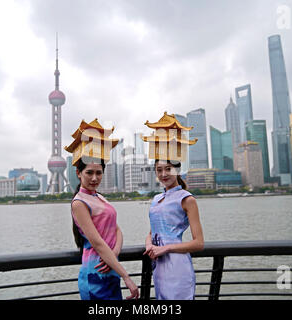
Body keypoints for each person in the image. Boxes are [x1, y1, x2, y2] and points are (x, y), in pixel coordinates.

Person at [66, 118, 139, 300]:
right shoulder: (79, 203)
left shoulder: (100, 198)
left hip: (111, 268)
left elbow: (117, 230)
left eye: (98, 173)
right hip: (95, 274)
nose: (94, 178)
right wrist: (127, 277)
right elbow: (97, 243)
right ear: (78, 173)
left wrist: (113, 255)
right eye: (89, 172)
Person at [141, 112, 204, 300]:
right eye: (159, 170)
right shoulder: (156, 199)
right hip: (158, 266)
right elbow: (153, 231)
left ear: (177, 170)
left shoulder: (186, 199)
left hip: (177, 266)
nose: (163, 174)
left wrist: (165, 248)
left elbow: (198, 243)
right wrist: (149, 244)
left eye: (168, 169)